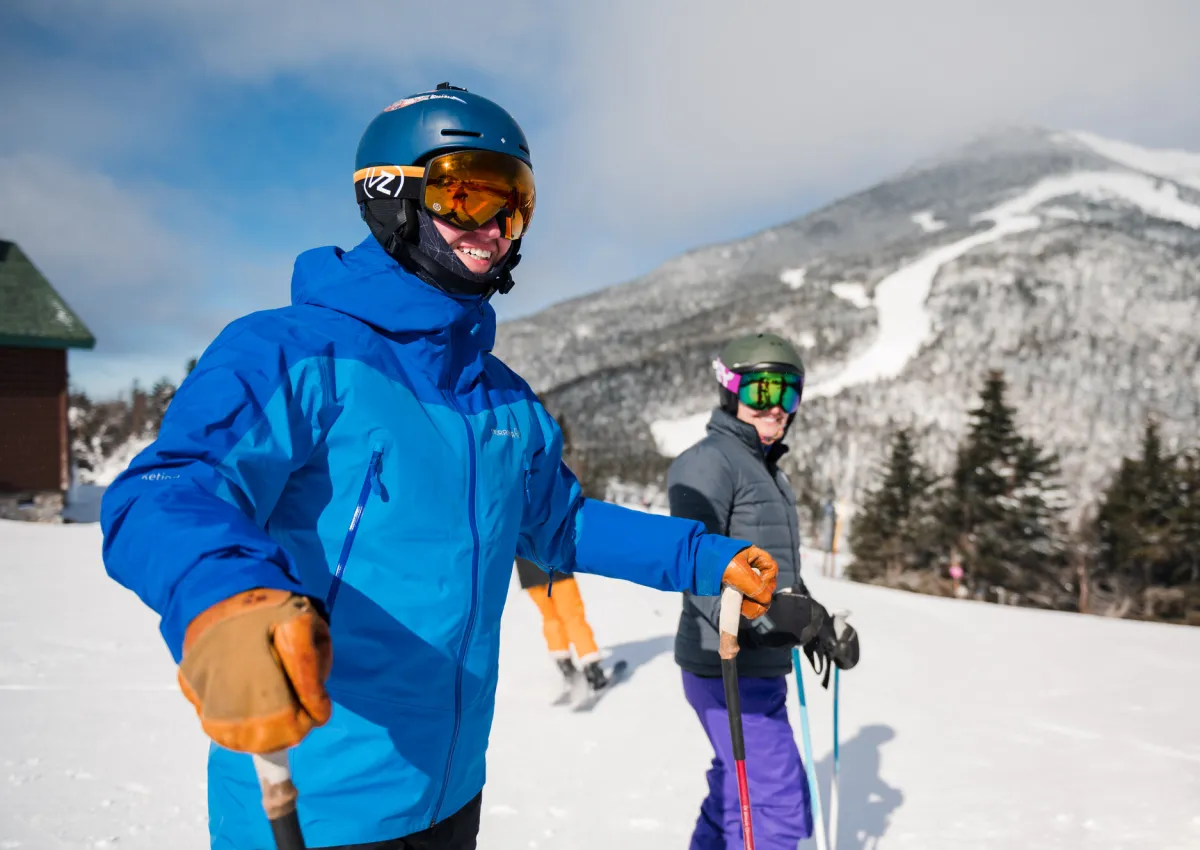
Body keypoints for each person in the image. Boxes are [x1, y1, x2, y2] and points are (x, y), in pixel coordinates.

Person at [99, 83, 780, 850]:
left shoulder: (504, 401)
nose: (493, 228)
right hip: (314, 801)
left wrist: (707, 559)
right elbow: (168, 488)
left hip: (453, 790)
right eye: (466, 194)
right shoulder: (292, 350)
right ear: (393, 194)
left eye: (512, 203)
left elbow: (560, 525)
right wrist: (225, 597)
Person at [668, 332, 860, 850]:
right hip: (724, 665)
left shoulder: (766, 471)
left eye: (788, 395)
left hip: (755, 667)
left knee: (738, 791)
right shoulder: (709, 463)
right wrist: (761, 619)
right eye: (761, 393)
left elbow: (774, 576)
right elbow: (693, 566)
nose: (776, 409)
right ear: (731, 393)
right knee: (774, 805)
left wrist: (814, 622)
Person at [513, 556, 609, 690]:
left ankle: (566, 666)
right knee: (572, 617)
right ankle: (592, 668)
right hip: (556, 569)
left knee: (550, 617)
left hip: (529, 574)